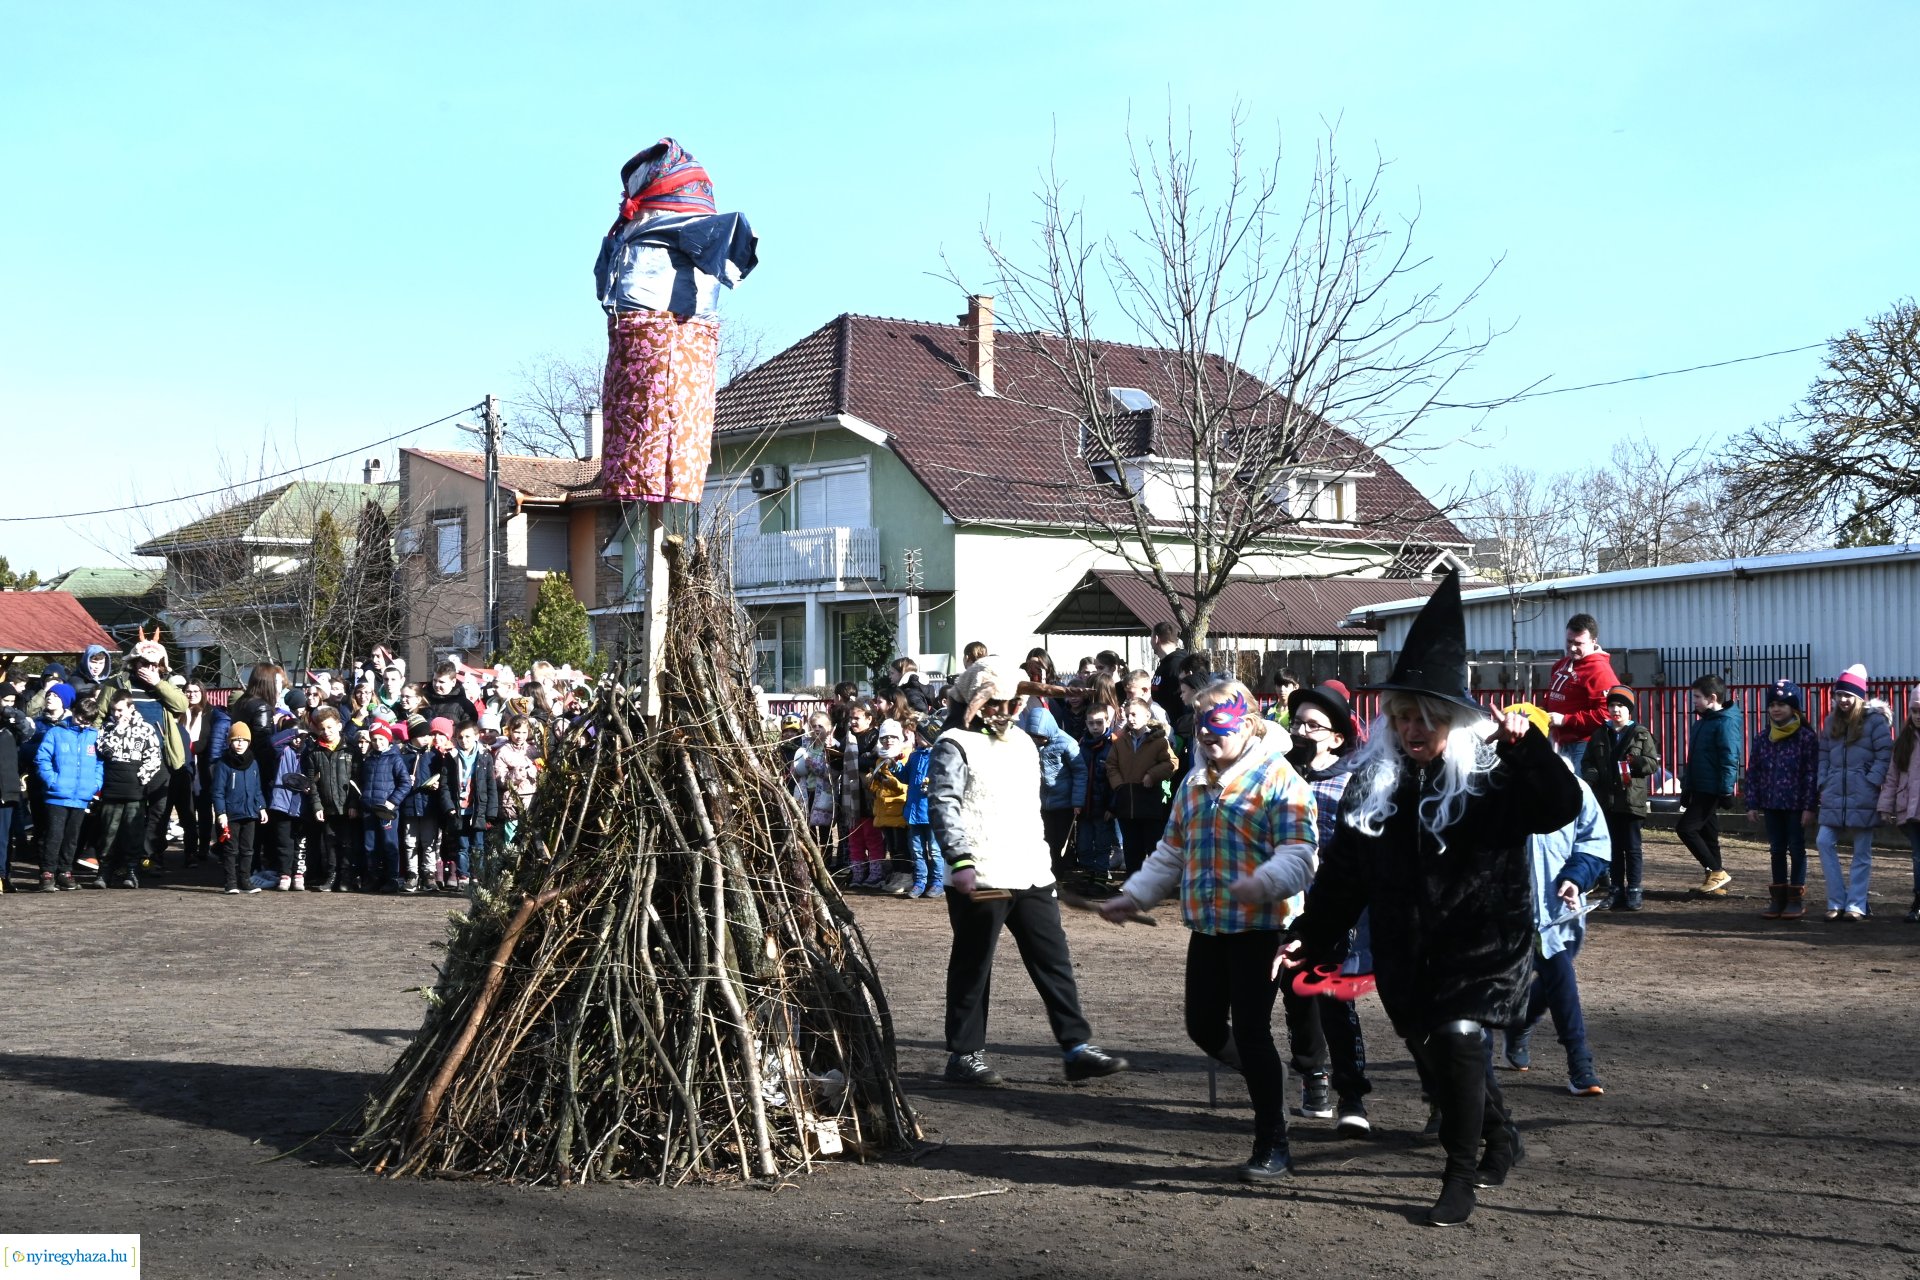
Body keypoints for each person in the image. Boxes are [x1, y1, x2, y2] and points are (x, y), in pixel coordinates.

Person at [1287, 570, 1582, 1227]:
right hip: (1407, 954)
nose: (1413, 726)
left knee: (1459, 1034)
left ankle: (1459, 1174)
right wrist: (1306, 935)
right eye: (1402, 714)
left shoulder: (1491, 777)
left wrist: (1529, 748)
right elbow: (1344, 877)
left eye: (1426, 715)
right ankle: (1499, 1135)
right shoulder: (1376, 787)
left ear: (1454, 717)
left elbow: (1558, 806)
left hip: (1483, 946)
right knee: (1441, 1053)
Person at [1101, 679, 1317, 1179]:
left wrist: (1262, 882)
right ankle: (1268, 1080)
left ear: (1246, 723)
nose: (1205, 735)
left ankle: (1273, 1141)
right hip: (1208, 926)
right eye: (1199, 725)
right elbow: (1172, 851)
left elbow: (1301, 854)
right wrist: (1135, 895)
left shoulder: (1279, 779)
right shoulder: (1194, 783)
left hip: (1261, 928)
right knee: (1201, 1025)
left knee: (1252, 1031)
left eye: (1216, 724)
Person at [927, 657, 1128, 1088]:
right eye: (998, 703)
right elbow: (945, 804)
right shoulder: (953, 742)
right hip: (979, 874)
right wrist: (960, 859)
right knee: (973, 963)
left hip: (1031, 871)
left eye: (1014, 702)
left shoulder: (1022, 742)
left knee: (1053, 960)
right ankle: (965, 1054)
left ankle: (1075, 1048)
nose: (1007, 710)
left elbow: (1027, 808)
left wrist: (1045, 864)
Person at [1500, 706, 1611, 1096]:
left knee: (1553, 978)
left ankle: (1519, 1025)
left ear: (1546, 740)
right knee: (1559, 977)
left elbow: (1595, 844)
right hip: (1504, 911)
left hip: (1557, 908)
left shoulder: (1575, 788)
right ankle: (1581, 1065)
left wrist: (1575, 877)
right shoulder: (1492, 785)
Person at [1279, 681, 1374, 1134]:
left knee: (1336, 995)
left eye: (1313, 725)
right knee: (1297, 992)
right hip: (1286, 902)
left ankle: (1352, 1093)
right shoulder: (1279, 772)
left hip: (1340, 902)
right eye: (1297, 722)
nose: (1301, 730)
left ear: (1336, 736)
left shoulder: (1356, 776)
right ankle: (1312, 1076)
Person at [1815, 665, 1892, 922]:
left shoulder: (1875, 722)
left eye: (1849, 695)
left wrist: (1871, 780)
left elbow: (1885, 754)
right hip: (1835, 792)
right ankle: (1836, 901)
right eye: (1839, 695)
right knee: (1823, 841)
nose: (1843, 700)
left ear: (1860, 697)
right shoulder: (1830, 722)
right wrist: (1823, 780)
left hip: (1864, 794)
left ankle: (1856, 904)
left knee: (1862, 851)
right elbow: (1823, 754)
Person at [1744, 679, 1820, 921]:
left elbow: (1811, 774)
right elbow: (1753, 771)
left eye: (1782, 704)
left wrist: (1810, 806)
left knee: (1796, 849)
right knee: (1776, 850)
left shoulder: (1806, 738)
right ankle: (1778, 897)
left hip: (1796, 805)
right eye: (1773, 704)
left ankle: (1796, 898)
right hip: (1771, 803)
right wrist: (1752, 802)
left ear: (1794, 708)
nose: (1776, 709)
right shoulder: (1762, 737)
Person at [1580, 687, 1659, 912]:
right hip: (1607, 800)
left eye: (1621, 706)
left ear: (1630, 710)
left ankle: (1634, 890)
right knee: (1613, 848)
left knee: (1632, 848)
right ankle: (1616, 890)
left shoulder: (1641, 734)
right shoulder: (1599, 733)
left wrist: (1635, 762)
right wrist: (1591, 775)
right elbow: (1588, 762)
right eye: (1612, 705)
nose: (1616, 710)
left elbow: (1652, 764)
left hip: (1631, 799)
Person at [1676, 675, 1743, 896]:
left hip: (1711, 788)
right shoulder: (1703, 721)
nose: (1693, 701)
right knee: (1709, 834)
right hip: (1699, 786)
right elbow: (1694, 757)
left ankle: (1716, 871)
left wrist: (1726, 789)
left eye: (1696, 697)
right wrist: (1687, 788)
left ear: (1712, 698)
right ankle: (1717, 884)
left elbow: (1729, 757)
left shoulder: (1726, 722)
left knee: (1686, 829)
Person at [92, 693, 162, 888]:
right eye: (113, 710)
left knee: (133, 832)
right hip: (111, 789)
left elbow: (154, 758)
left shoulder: (146, 729)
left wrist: (141, 778)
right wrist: (119, 730)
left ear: (131, 709)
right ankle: (104, 871)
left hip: (134, 789)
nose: (116, 714)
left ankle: (131, 871)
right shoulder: (106, 728)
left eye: (120, 710)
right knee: (108, 833)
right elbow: (104, 750)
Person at [34, 689, 102, 891]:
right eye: (80, 718)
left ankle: (65, 871)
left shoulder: (94, 736)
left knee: (73, 837)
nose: (83, 724)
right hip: (57, 795)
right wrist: (52, 781)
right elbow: (42, 758)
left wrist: (95, 784)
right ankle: (47, 872)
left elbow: (100, 763)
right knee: (53, 835)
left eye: (88, 721)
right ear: (73, 712)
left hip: (81, 795)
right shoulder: (56, 732)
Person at [1107, 697, 1178, 875]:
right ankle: (1133, 885)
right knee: (1131, 848)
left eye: (1135, 714)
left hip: (1149, 801)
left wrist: (1152, 775)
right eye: (1128, 715)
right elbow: (1111, 765)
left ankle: (1155, 884)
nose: (1131, 718)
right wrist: (1119, 785)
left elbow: (1171, 763)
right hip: (1127, 802)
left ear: (1147, 716)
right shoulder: (1120, 742)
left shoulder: (1159, 741)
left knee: (1153, 845)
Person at [1543, 614, 1620, 772]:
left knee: (1581, 792)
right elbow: (1551, 699)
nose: (1572, 648)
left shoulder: (1600, 670)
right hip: (1559, 741)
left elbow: (1607, 713)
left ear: (1593, 642)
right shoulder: (1560, 665)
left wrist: (1565, 720)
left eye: (1578, 643)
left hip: (1584, 745)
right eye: (1569, 641)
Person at [1018, 700, 1084, 876]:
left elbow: (1080, 772)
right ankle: (1047, 872)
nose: (1038, 740)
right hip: (1041, 803)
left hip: (1064, 802)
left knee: (1060, 840)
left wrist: (1077, 801)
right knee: (1044, 839)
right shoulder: (1031, 744)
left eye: (1040, 736)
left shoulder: (1067, 743)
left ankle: (1060, 874)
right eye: (1034, 736)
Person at [1876, 689, 1920, 923]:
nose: (1918, 715)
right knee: (1917, 856)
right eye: (1914, 710)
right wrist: (1886, 807)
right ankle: (1918, 901)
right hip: (1909, 811)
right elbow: (1892, 777)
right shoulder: (1903, 742)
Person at [440, 720, 499, 891]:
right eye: (460, 737)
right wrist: (449, 806)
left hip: (478, 808)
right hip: (459, 809)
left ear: (475, 736)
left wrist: (491, 811)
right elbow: (445, 785)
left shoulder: (484, 756)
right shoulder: (451, 757)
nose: (464, 740)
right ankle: (463, 876)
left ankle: (477, 876)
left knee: (479, 846)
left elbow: (490, 785)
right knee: (462, 845)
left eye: (467, 736)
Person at [211, 720, 267, 895]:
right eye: (236, 739)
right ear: (230, 742)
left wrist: (262, 807)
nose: (240, 743)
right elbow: (218, 791)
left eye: (244, 740)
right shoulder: (223, 764)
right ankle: (231, 882)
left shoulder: (253, 763)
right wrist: (221, 813)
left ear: (249, 742)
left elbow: (257, 788)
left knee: (248, 849)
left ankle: (245, 880)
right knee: (230, 850)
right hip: (231, 813)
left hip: (250, 813)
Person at [305, 707, 357, 892]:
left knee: (347, 843)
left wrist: (353, 803)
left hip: (347, 807)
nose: (326, 732)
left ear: (339, 726)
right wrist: (317, 805)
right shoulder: (314, 753)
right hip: (327, 807)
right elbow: (312, 783)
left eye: (330, 727)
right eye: (322, 728)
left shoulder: (350, 749)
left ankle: (346, 877)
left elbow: (356, 780)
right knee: (330, 843)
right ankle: (331, 875)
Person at [358, 720, 413, 892]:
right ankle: (374, 877)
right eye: (374, 740)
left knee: (390, 845)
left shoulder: (395, 759)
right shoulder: (368, 760)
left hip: (387, 810)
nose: (377, 743)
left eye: (381, 739)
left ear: (388, 739)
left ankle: (392, 878)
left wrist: (392, 802)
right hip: (369, 809)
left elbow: (405, 783)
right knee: (370, 845)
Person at [836, 702, 883, 888]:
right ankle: (858, 873)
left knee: (872, 837)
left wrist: (856, 760)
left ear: (869, 718)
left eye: (857, 718)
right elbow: (839, 764)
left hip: (868, 795)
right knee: (854, 838)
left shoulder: (874, 738)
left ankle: (876, 872)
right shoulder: (847, 738)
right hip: (851, 798)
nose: (853, 722)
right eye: (851, 718)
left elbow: (874, 762)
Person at [1075, 704, 1120, 880]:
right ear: (1086, 723)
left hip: (1104, 807)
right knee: (1084, 844)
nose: (1095, 727)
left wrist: (1113, 807)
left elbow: (1117, 781)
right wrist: (1076, 802)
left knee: (1102, 843)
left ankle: (1101, 873)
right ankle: (1088, 873)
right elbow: (1077, 776)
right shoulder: (1082, 745)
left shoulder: (1113, 746)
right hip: (1085, 806)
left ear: (1107, 722)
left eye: (1099, 722)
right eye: (1091, 723)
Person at [867, 718, 912, 895]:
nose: (889, 740)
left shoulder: (906, 756)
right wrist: (873, 781)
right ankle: (897, 873)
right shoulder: (880, 758)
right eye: (885, 737)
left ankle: (906, 875)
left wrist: (892, 782)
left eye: (893, 737)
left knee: (902, 845)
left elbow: (907, 784)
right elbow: (876, 787)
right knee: (892, 846)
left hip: (899, 809)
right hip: (884, 809)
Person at [902, 719, 944, 899]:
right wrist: (895, 768)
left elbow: (944, 780)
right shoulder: (914, 756)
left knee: (934, 850)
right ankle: (920, 881)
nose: (917, 738)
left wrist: (933, 785)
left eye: (920, 735)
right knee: (917, 850)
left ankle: (937, 882)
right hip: (913, 812)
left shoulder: (939, 756)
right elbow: (905, 777)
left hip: (931, 812)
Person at [789, 712, 837, 854]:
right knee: (808, 829)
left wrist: (811, 763)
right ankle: (813, 859)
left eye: (820, 726)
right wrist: (795, 766)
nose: (816, 729)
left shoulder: (830, 747)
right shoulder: (806, 744)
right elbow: (799, 766)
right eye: (814, 726)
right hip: (807, 792)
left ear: (829, 728)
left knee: (824, 829)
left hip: (824, 794)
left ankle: (826, 860)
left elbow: (830, 772)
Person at [1149, 621, 1188, 725]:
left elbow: (1183, 702)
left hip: (1175, 729)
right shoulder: (1165, 664)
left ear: (1156, 639)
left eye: (1151, 637)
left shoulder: (1178, 665)